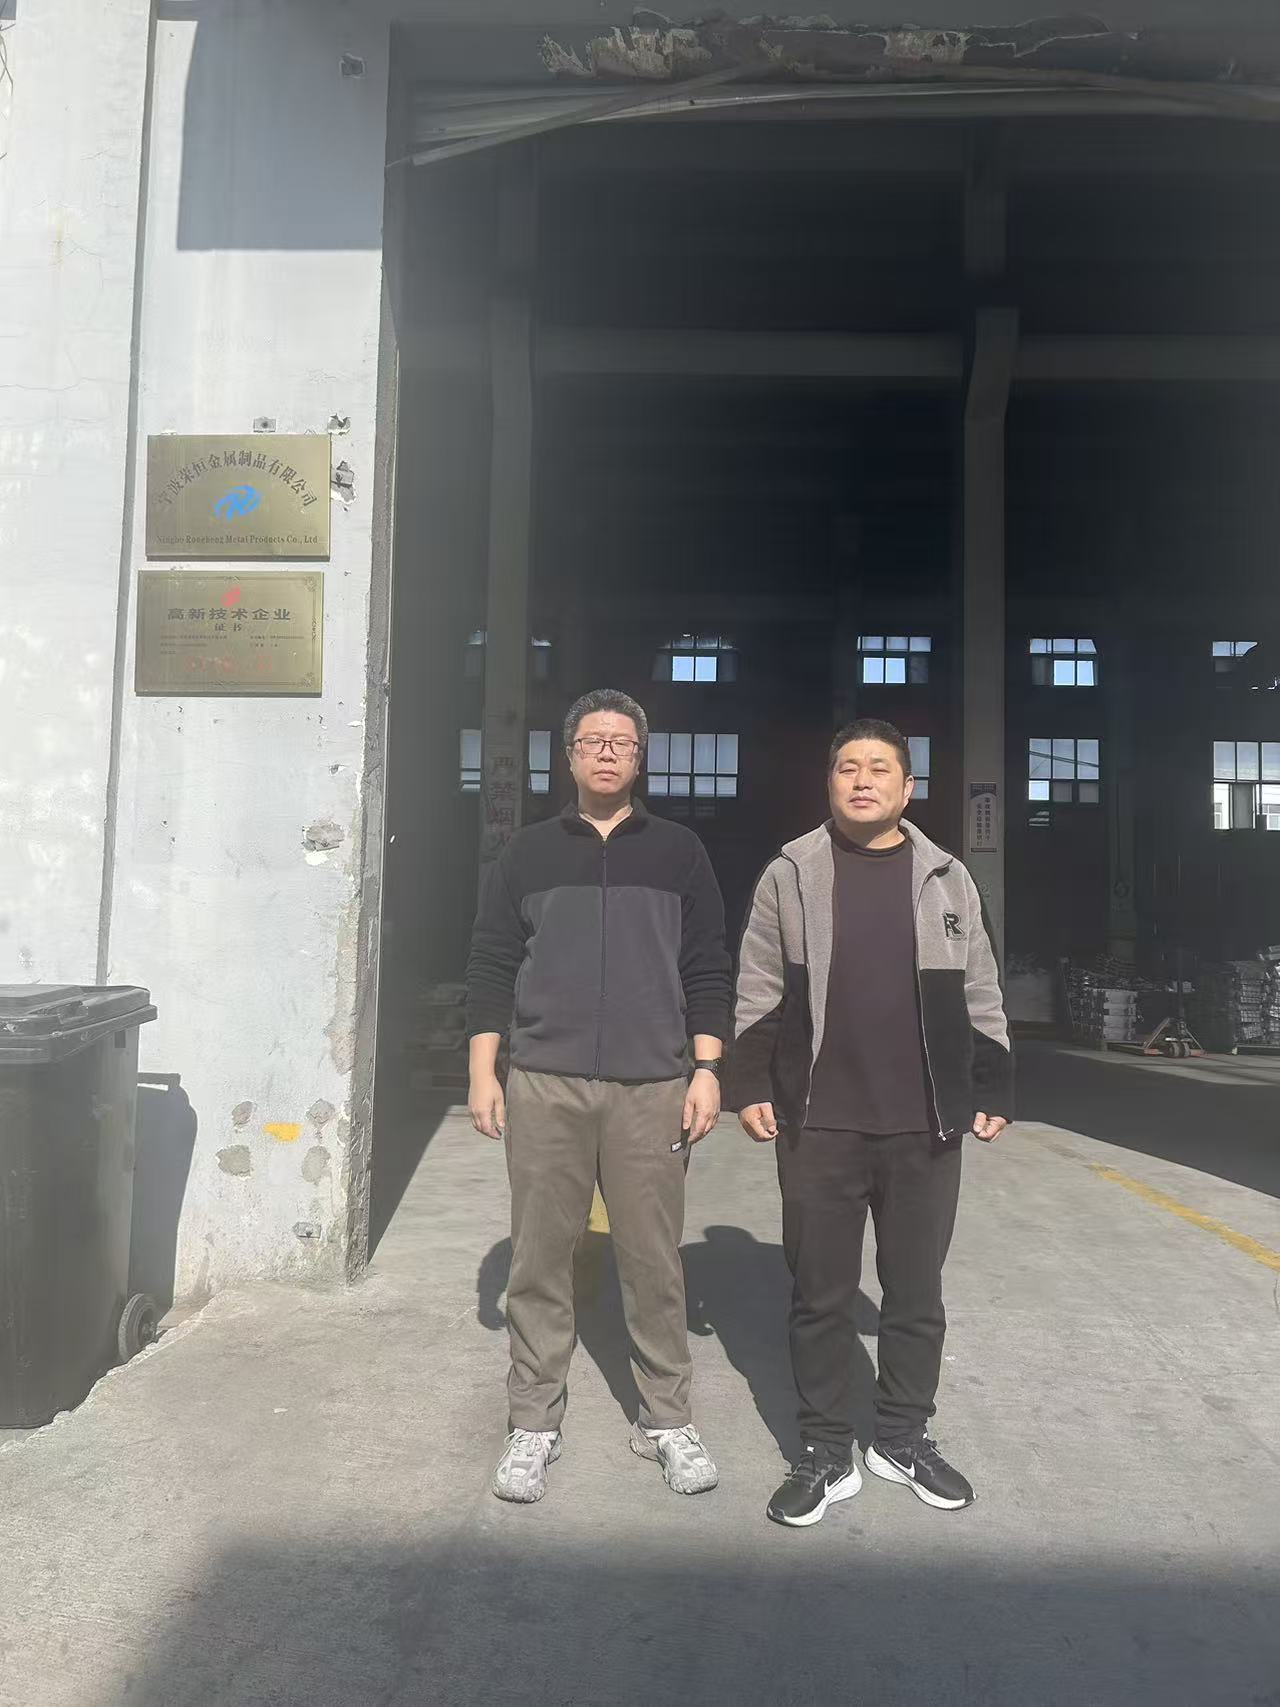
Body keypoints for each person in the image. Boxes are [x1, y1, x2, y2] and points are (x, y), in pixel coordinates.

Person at [730, 718, 1013, 1527]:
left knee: (916, 1292)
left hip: (925, 1124)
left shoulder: (948, 877)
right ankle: (824, 1448)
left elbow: (980, 986)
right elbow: (759, 983)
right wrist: (749, 1081)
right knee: (820, 1294)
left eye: (880, 768)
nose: (863, 780)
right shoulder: (791, 872)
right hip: (819, 1123)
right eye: (848, 767)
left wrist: (993, 1081)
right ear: (829, 782)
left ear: (908, 787)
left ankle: (901, 1437)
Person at [466, 688, 731, 1504]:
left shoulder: (680, 851)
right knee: (541, 1254)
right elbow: (491, 961)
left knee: (653, 1258)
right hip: (546, 1080)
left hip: (652, 1083)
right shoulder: (527, 853)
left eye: (622, 741)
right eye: (593, 740)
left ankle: (667, 1417)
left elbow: (707, 963)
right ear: (570, 755)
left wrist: (707, 1067)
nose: (608, 751)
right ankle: (533, 1420)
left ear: (641, 758)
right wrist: (483, 1071)